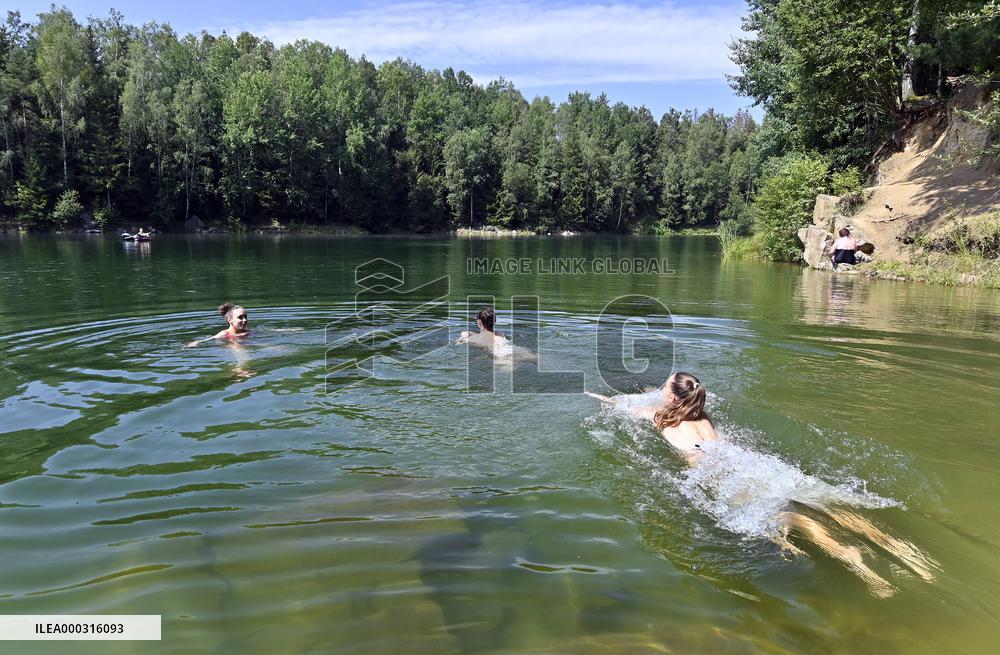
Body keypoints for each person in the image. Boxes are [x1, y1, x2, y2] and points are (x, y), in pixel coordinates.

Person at [588, 372, 937, 597]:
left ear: (672, 400)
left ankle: (852, 557)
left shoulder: (661, 418)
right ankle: (899, 546)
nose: (660, 391)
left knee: (785, 516)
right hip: (752, 463)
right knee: (822, 502)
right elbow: (684, 402)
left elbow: (623, 407)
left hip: (720, 475)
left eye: (664, 388)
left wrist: (601, 398)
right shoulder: (705, 418)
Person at [186, 302, 250, 347]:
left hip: (244, 344)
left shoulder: (248, 331)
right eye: (240, 317)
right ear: (230, 320)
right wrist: (195, 343)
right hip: (233, 346)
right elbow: (208, 340)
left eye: (245, 317)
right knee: (237, 346)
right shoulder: (225, 334)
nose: (245, 320)